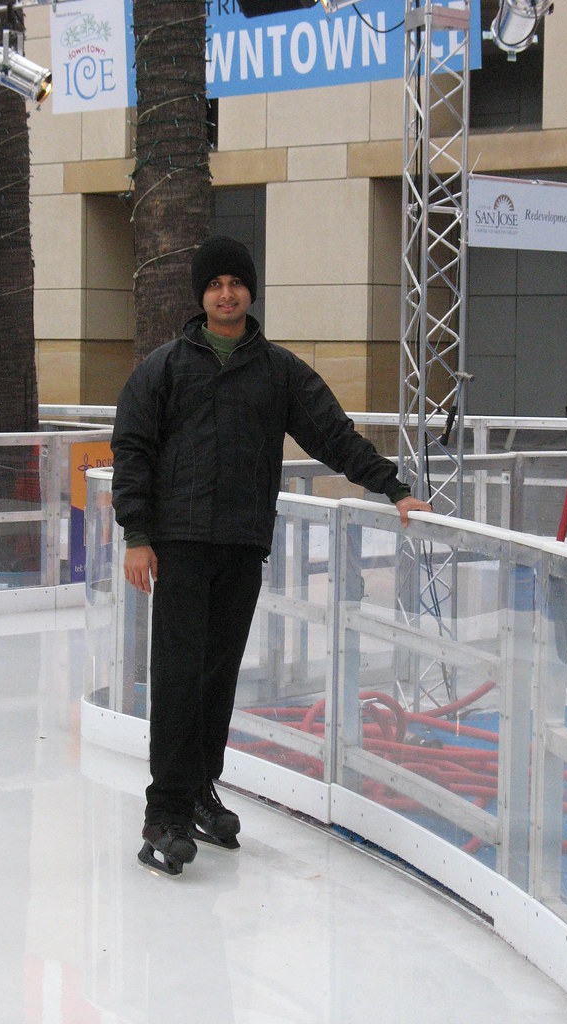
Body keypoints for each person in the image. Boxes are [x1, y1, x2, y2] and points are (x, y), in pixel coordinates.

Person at [111, 237, 431, 876]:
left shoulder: (278, 371)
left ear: (250, 291)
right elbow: (133, 448)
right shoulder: (165, 368)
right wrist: (137, 534)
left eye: (236, 282)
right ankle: (165, 811)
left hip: (241, 544)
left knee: (218, 675)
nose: (226, 293)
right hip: (177, 545)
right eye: (214, 284)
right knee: (177, 676)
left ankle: (201, 786)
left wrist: (391, 484)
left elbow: (332, 434)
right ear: (200, 296)